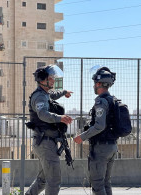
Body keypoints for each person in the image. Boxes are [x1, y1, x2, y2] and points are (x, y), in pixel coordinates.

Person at [25, 64, 73, 195]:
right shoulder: (39, 96)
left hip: (45, 142)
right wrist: (60, 118)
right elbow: (42, 114)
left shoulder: (45, 94)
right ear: (42, 80)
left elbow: (53, 95)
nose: (53, 81)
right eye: (51, 78)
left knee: (43, 179)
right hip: (45, 142)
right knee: (54, 179)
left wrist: (64, 92)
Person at [73, 66, 117, 195]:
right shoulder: (112, 100)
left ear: (98, 83)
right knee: (106, 183)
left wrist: (82, 136)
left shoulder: (101, 102)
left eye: (94, 84)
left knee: (97, 184)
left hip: (101, 148)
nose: (94, 86)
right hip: (112, 146)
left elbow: (99, 126)